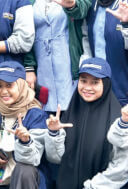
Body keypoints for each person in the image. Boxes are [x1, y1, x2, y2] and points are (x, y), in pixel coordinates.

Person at [22, 0, 92, 110]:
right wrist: (29, 67)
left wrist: (73, 3)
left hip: (68, 61)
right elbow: (25, 32)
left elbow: (84, 1)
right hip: (41, 63)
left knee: (72, 108)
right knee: (46, 109)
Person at [45, 58, 125, 188]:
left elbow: (120, 168)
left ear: (106, 84)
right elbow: (55, 158)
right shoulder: (71, 111)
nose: (87, 87)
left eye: (95, 82)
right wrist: (53, 133)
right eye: (83, 81)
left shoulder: (118, 119)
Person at [0, 61, 48, 189]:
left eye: (9, 85)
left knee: (26, 170)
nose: (4, 91)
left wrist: (25, 141)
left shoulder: (36, 114)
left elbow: (35, 158)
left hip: (23, 182)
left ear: (22, 85)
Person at [82, 0, 128, 105]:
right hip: (96, 82)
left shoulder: (125, 3)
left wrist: (126, 24)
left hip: (121, 85)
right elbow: (87, 38)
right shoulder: (93, 1)